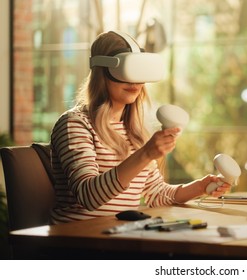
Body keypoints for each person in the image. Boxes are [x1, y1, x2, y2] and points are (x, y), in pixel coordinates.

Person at [49, 31, 230, 224]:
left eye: (140, 71)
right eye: (127, 70)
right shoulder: (75, 124)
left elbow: (157, 194)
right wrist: (145, 154)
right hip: (79, 240)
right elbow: (89, 197)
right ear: (102, 72)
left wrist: (200, 187)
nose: (134, 81)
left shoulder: (133, 131)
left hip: (122, 236)